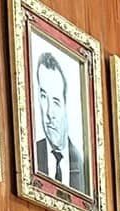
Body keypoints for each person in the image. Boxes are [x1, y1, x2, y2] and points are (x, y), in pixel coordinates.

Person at [32, 50, 87, 193]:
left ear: (67, 106)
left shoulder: (84, 166)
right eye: (44, 97)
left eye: (56, 102)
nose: (49, 113)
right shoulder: (31, 155)